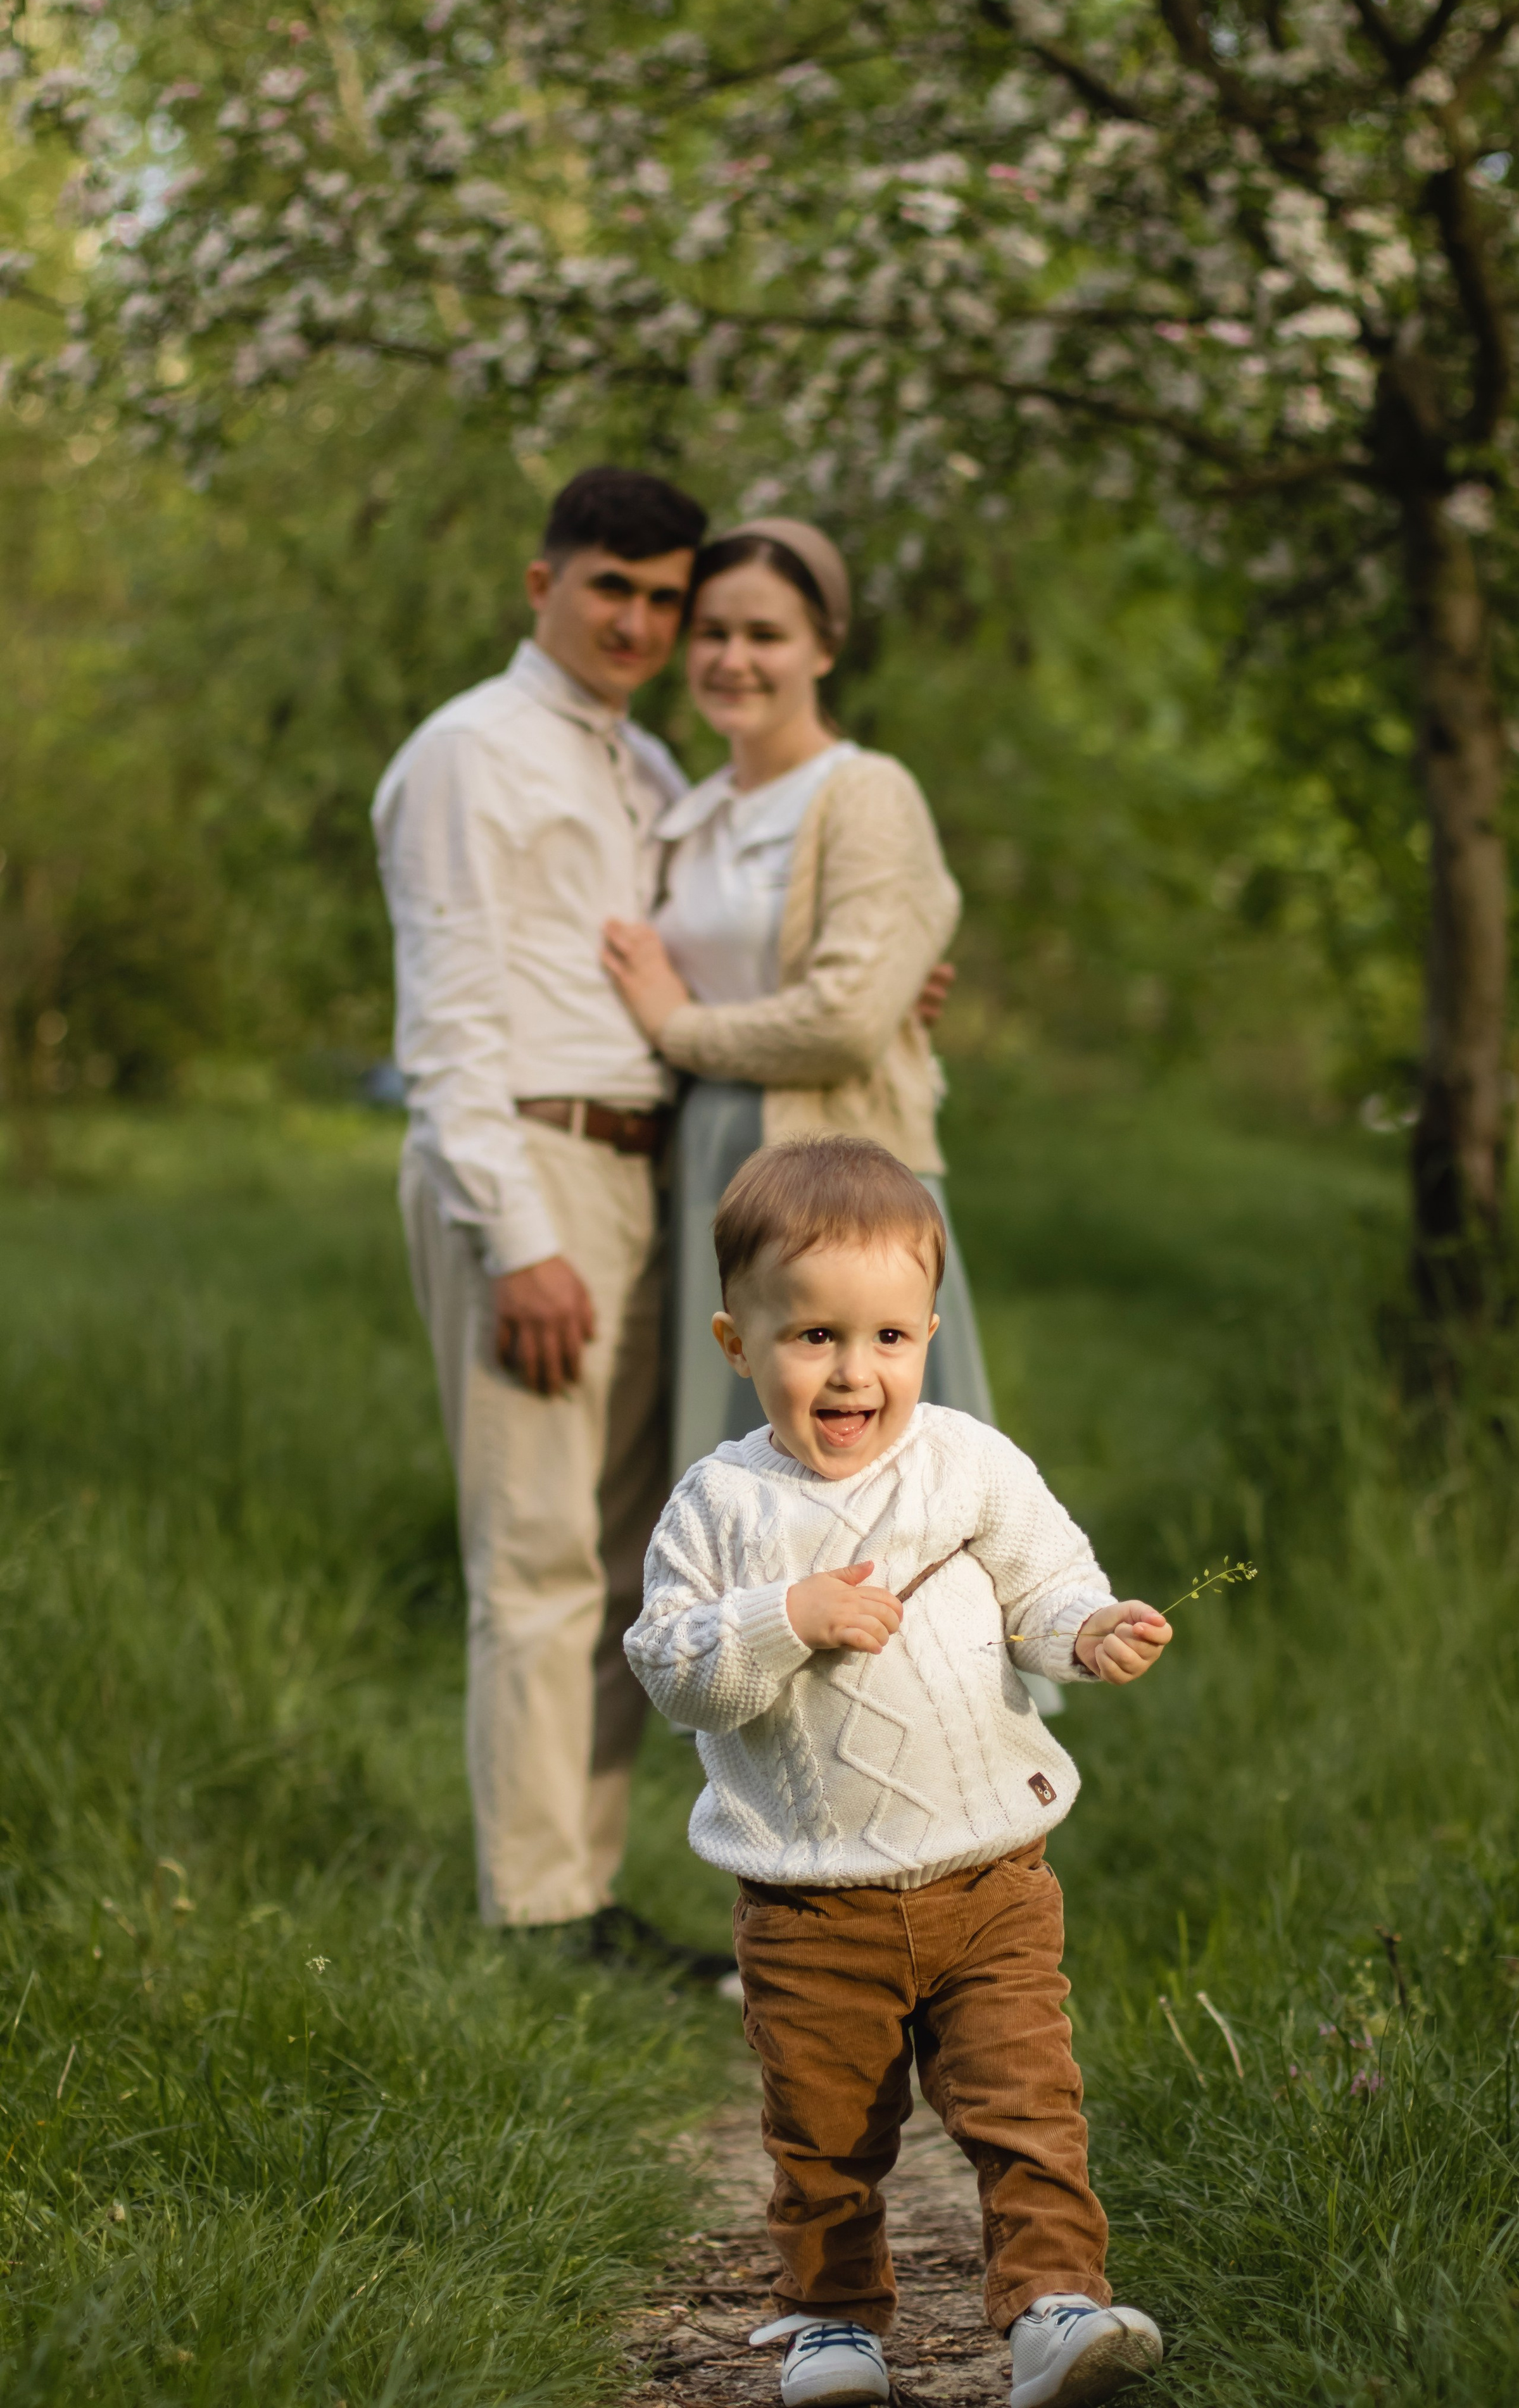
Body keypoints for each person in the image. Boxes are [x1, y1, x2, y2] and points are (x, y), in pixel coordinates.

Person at [623, 1138, 1171, 2408]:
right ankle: (829, 2321)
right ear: (735, 1343)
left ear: (926, 1332)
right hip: (811, 1902)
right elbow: (672, 1669)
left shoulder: (968, 1463)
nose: (851, 1370)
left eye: (885, 1338)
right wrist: (784, 1618)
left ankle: (1051, 2308)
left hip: (989, 1878)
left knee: (1025, 2106)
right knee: (823, 2132)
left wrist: (1085, 1633)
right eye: (810, 1336)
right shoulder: (717, 1508)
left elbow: (1043, 1582)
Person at [602, 515, 1062, 1712]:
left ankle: (943, 1738)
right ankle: (769, 1721)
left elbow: (848, 1020)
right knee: (758, 1489)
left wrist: (678, 1025)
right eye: (710, 632)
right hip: (718, 1164)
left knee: (895, 1476)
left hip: (844, 1181)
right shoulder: (690, 810)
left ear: (826, 646)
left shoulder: (866, 794)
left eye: (766, 632)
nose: (732, 659)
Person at [372, 465, 730, 1974]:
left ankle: (578, 1890)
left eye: (664, 598)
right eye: (611, 589)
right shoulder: (468, 755)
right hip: (524, 1163)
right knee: (533, 1554)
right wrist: (515, 1234)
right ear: (543, 585)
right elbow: (449, 1023)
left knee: (628, 1555)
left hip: (645, 1165)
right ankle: (534, 1915)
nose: (638, 621)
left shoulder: (644, 767)